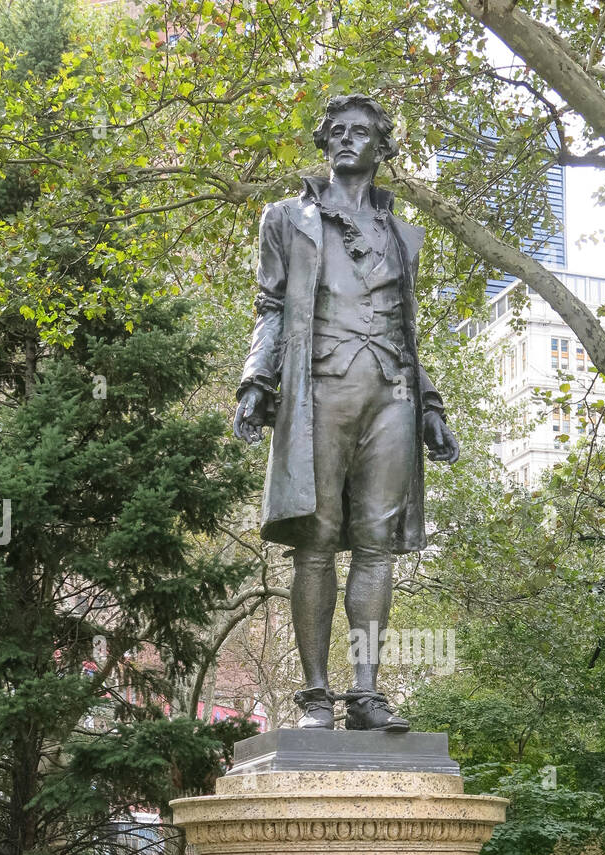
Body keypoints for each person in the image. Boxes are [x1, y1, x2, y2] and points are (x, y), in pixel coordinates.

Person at [234, 94, 459, 731]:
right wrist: (256, 379)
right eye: (335, 132)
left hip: (391, 393)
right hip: (320, 390)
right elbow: (270, 308)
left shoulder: (402, 235)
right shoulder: (285, 219)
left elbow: (410, 329)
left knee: (375, 547)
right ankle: (314, 697)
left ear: (382, 148)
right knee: (315, 542)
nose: (345, 140)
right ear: (323, 142)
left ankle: (366, 695)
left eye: (360, 132)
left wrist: (431, 405)